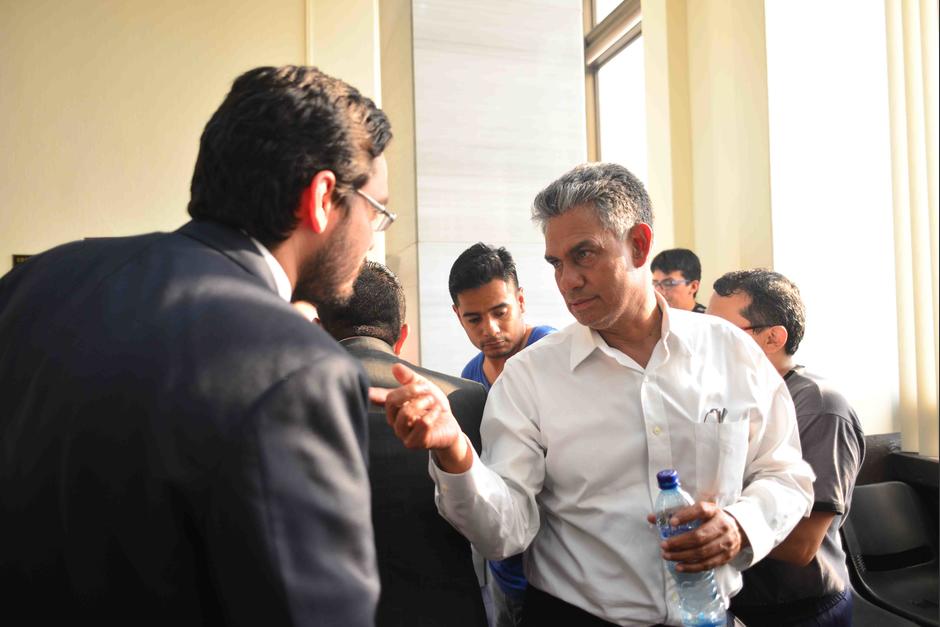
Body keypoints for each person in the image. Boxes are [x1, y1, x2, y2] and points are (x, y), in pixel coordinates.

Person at [0, 66, 392, 626]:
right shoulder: (299, 372)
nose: (374, 236)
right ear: (323, 198)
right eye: (377, 211)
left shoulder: (34, 283)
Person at [372, 162, 815, 626]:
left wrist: (743, 526)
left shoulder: (729, 351)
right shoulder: (530, 379)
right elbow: (505, 533)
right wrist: (455, 453)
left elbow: (786, 476)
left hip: (710, 615)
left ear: (639, 245)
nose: (567, 281)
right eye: (556, 263)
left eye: (584, 254)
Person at [314, 261, 488, 627]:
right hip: (448, 612)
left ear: (318, 330)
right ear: (402, 334)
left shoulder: (283, 398)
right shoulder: (467, 398)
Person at [708, 269, 865, 626]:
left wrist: (712, 530)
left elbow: (801, 545)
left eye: (722, 332)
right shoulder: (729, 397)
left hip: (801, 609)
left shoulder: (821, 408)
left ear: (773, 337)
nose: (707, 343)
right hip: (740, 598)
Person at [448, 243, 556, 626]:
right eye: (474, 319)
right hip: (506, 571)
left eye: (500, 312)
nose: (490, 329)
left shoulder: (552, 353)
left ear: (521, 300)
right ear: (458, 317)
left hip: (562, 573)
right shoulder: (470, 377)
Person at [651, 248, 706, 312]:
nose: (659, 291)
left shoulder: (708, 320)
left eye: (668, 283)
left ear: (693, 287)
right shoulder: (653, 318)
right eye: (655, 284)